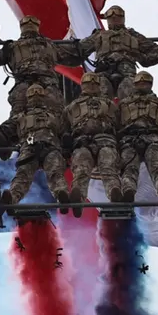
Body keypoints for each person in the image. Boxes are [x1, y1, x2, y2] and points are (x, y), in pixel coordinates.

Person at [0, 15, 66, 135]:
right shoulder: (12, 47)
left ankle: (58, 138)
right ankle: (6, 136)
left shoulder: (49, 45)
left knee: (55, 116)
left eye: (33, 22)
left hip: (46, 85)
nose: (29, 25)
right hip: (25, 84)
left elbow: (75, 56)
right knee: (18, 117)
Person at [0, 83, 71, 211]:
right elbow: (1, 134)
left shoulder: (54, 116)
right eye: (33, 94)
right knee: (22, 175)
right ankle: (11, 199)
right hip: (29, 149)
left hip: (51, 147)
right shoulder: (20, 117)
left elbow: (66, 131)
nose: (36, 96)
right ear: (27, 98)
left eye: (39, 93)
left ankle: (62, 196)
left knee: (55, 172)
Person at [71, 6, 158, 100]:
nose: (114, 18)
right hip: (104, 70)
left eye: (118, 15)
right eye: (111, 16)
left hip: (127, 71)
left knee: (131, 90)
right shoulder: (99, 36)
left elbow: (154, 51)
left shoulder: (133, 35)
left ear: (123, 18)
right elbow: (77, 50)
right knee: (99, 90)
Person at [63, 72, 122, 212]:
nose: (91, 86)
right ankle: (78, 198)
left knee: (108, 166)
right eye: (88, 83)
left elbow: (119, 125)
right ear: (82, 86)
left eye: (95, 84)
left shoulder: (110, 105)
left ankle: (115, 194)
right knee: (81, 168)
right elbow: (63, 127)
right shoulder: (72, 107)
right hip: (82, 142)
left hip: (106, 141)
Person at [116, 71, 158, 213]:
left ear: (150, 84)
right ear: (134, 84)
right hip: (130, 140)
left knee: (157, 167)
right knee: (129, 168)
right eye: (139, 82)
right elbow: (115, 125)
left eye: (145, 82)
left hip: (153, 139)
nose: (142, 85)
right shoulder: (123, 105)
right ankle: (128, 192)